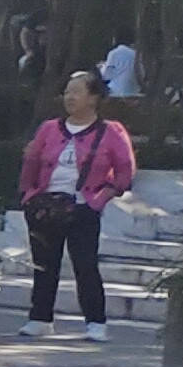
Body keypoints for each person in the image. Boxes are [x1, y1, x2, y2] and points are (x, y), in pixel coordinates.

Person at [18, 67, 137, 338]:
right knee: (44, 264)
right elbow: (32, 161)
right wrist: (28, 195)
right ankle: (40, 318)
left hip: (84, 206)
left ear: (93, 98)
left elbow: (125, 171)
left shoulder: (111, 132)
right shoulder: (49, 128)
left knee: (85, 265)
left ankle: (96, 322)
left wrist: (102, 197)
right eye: (67, 92)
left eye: (76, 92)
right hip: (46, 205)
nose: (69, 98)